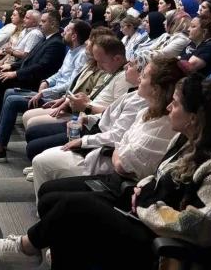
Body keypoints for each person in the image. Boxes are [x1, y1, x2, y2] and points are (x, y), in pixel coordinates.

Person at [0, 76, 211, 269]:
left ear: (195, 116)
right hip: (148, 216)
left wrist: (145, 204)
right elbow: (159, 174)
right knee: (53, 200)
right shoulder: (186, 139)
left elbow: (200, 227)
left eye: (176, 104)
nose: (169, 107)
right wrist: (143, 188)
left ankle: (27, 246)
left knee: (74, 206)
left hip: (163, 243)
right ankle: (43, 252)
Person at [34, 55, 187, 200]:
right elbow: (117, 129)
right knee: (42, 159)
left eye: (143, 74)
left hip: (114, 170)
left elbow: (121, 160)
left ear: (156, 89)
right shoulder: (146, 108)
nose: (139, 76)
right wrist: (87, 118)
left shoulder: (157, 118)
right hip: (102, 143)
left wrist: (87, 137)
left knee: (41, 163)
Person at [29, 53, 150, 194]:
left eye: (131, 65)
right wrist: (87, 118)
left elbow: (117, 135)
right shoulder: (133, 93)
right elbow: (110, 114)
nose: (125, 67)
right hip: (94, 130)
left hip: (104, 150)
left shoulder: (139, 99)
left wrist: (84, 139)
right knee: (39, 153)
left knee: (40, 160)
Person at [0, 21, 92, 163]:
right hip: (51, 91)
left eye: (67, 30)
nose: (63, 32)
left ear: (74, 36)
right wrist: (46, 82)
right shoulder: (72, 51)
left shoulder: (81, 55)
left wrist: (45, 92)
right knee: (9, 92)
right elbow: (60, 73)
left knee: (12, 100)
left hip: (57, 98)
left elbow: (71, 84)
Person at [0, 10, 65, 125]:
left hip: (35, 79)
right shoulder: (47, 38)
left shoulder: (56, 43)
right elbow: (29, 58)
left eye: (43, 21)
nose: (40, 24)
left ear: (53, 24)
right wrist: (11, 66)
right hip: (27, 72)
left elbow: (41, 66)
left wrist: (15, 73)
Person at [22, 27, 113, 130]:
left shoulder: (103, 70)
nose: (86, 42)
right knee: (27, 116)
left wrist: (65, 101)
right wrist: (61, 97)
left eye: (90, 39)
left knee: (32, 122)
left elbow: (89, 98)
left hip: (79, 113)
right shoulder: (89, 62)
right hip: (67, 101)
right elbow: (72, 83)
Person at [0, 9, 43, 79]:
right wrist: (2, 61)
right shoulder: (25, 30)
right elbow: (13, 49)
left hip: (17, 63)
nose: (24, 19)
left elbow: (27, 55)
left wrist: (10, 53)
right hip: (9, 59)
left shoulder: (34, 34)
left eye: (27, 18)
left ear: (34, 22)